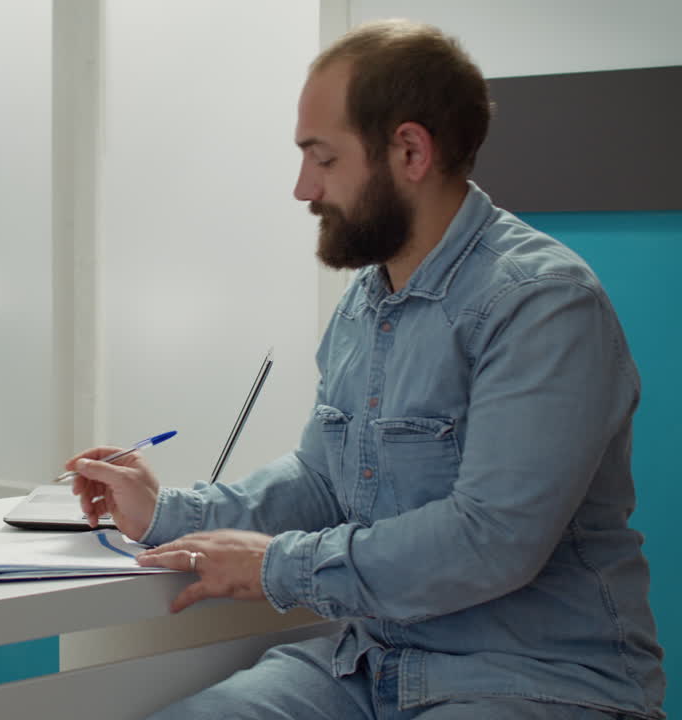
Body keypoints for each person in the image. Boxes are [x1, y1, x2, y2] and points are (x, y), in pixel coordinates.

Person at [69, 20, 665, 720]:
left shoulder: (542, 305)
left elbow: (490, 541)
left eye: (321, 159)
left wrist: (273, 565)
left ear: (410, 150)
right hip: (369, 666)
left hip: (530, 677)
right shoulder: (367, 300)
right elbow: (325, 478)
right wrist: (169, 512)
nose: (302, 188)